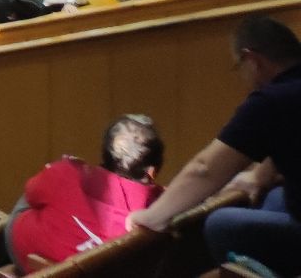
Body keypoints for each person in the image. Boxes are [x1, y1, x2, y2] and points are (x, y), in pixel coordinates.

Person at [128, 16, 301, 269]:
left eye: (238, 66)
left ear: (252, 60)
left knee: (221, 224)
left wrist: (153, 216)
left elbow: (205, 169)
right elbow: (290, 135)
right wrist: (259, 176)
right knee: (274, 197)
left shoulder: (270, 102)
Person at [7, 114, 165, 270]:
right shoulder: (159, 211)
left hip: (35, 259)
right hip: (91, 270)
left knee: (37, 191)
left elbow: (31, 193)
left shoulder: (67, 173)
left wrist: (62, 167)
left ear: (106, 153)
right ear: (152, 170)